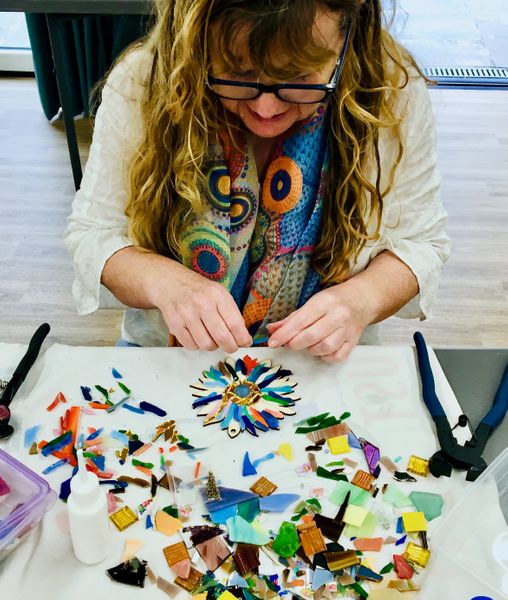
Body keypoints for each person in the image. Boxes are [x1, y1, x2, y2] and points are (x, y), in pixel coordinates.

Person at [65, 0, 450, 361]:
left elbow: (421, 243)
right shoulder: (144, 83)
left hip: (324, 361)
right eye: (237, 72)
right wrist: (165, 283)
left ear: (348, 35)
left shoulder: (390, 91)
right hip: (165, 356)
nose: (266, 108)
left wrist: (361, 299)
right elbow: (93, 234)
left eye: (299, 76)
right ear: (198, 37)